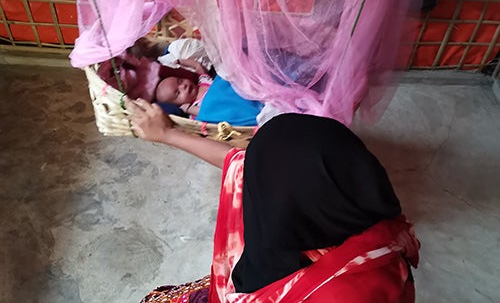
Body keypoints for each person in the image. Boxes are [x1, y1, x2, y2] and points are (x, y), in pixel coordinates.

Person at [125, 97, 420, 303]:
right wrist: (167, 134)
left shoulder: (343, 293)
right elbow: (239, 163)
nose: (249, 179)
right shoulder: (350, 200)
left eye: (258, 175)